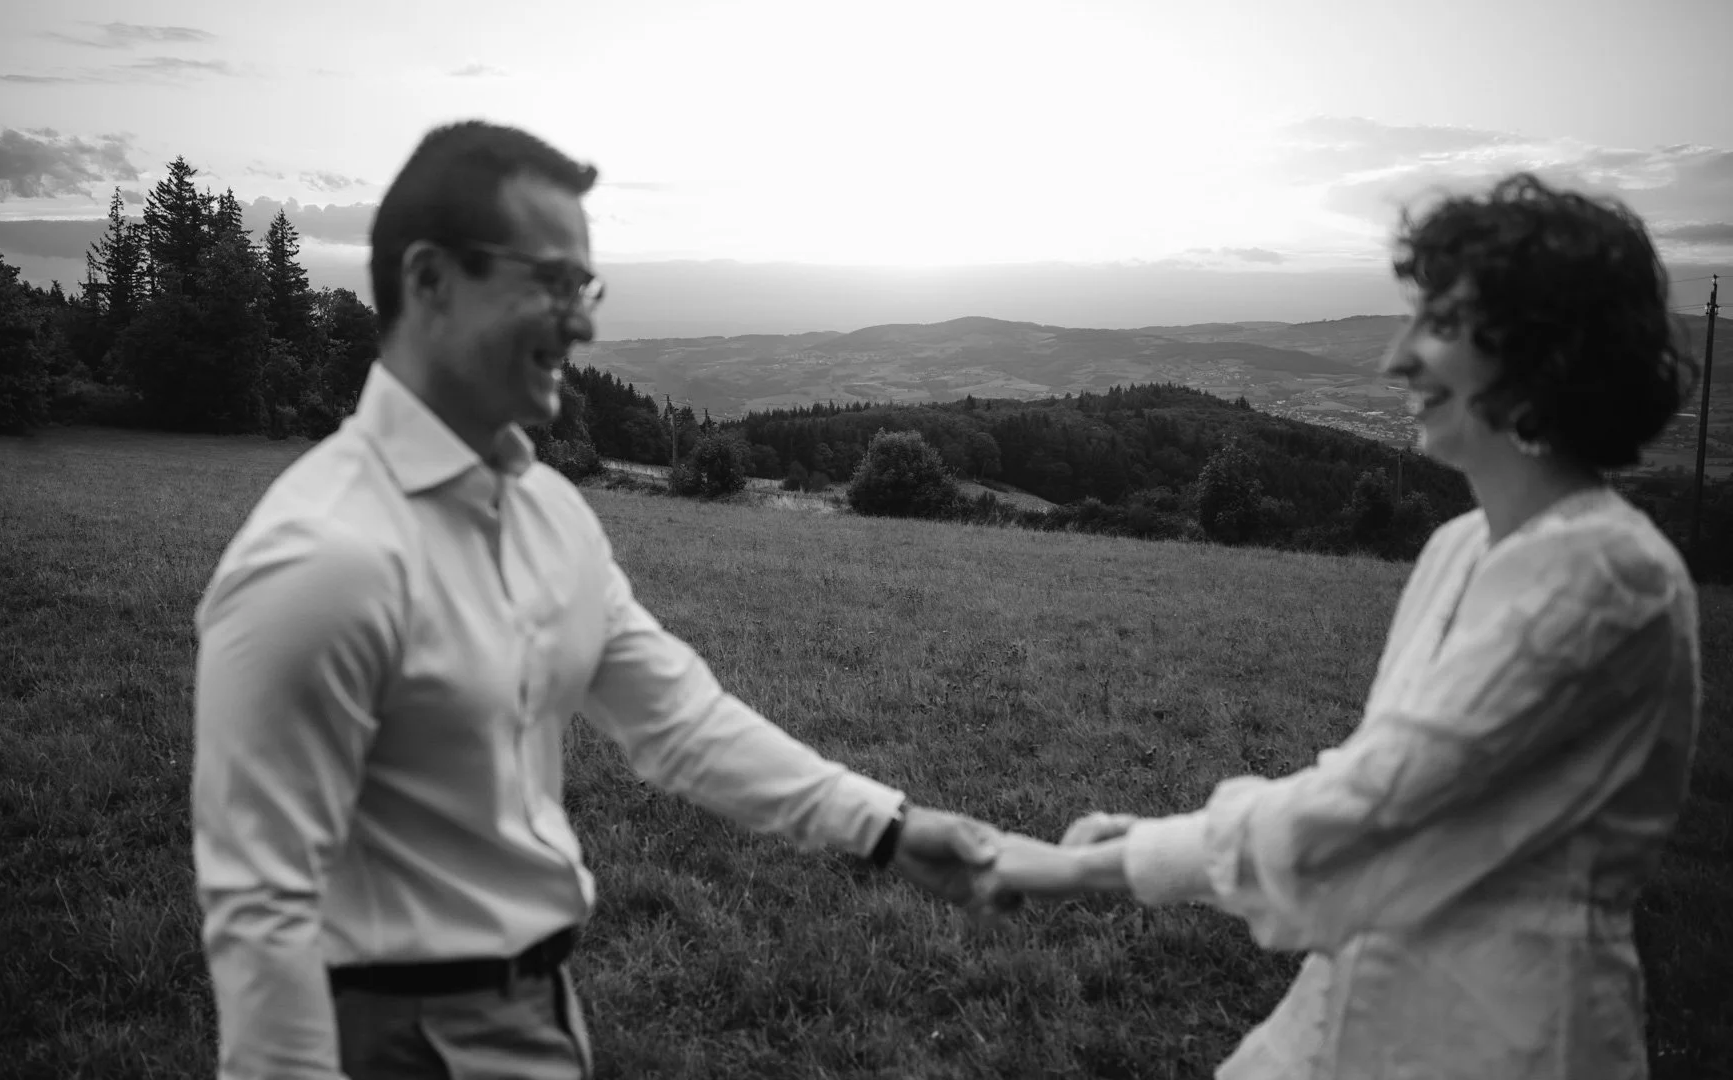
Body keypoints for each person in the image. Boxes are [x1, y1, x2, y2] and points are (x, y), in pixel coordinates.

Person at [191, 120, 1010, 1080]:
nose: (580, 323)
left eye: (584, 287)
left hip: (539, 1010)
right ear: (430, 279)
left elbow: (682, 721)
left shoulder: (548, 514)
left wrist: (889, 829)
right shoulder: (318, 559)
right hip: (399, 1041)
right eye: (550, 282)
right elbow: (263, 913)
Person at [997, 172, 1703, 1078]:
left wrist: (1102, 864)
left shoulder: (1602, 575)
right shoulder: (1459, 546)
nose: (1396, 360)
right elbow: (1390, 784)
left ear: (1546, 355)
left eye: (1439, 326)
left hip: (1506, 1036)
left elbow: (1371, 808)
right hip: (1357, 1002)